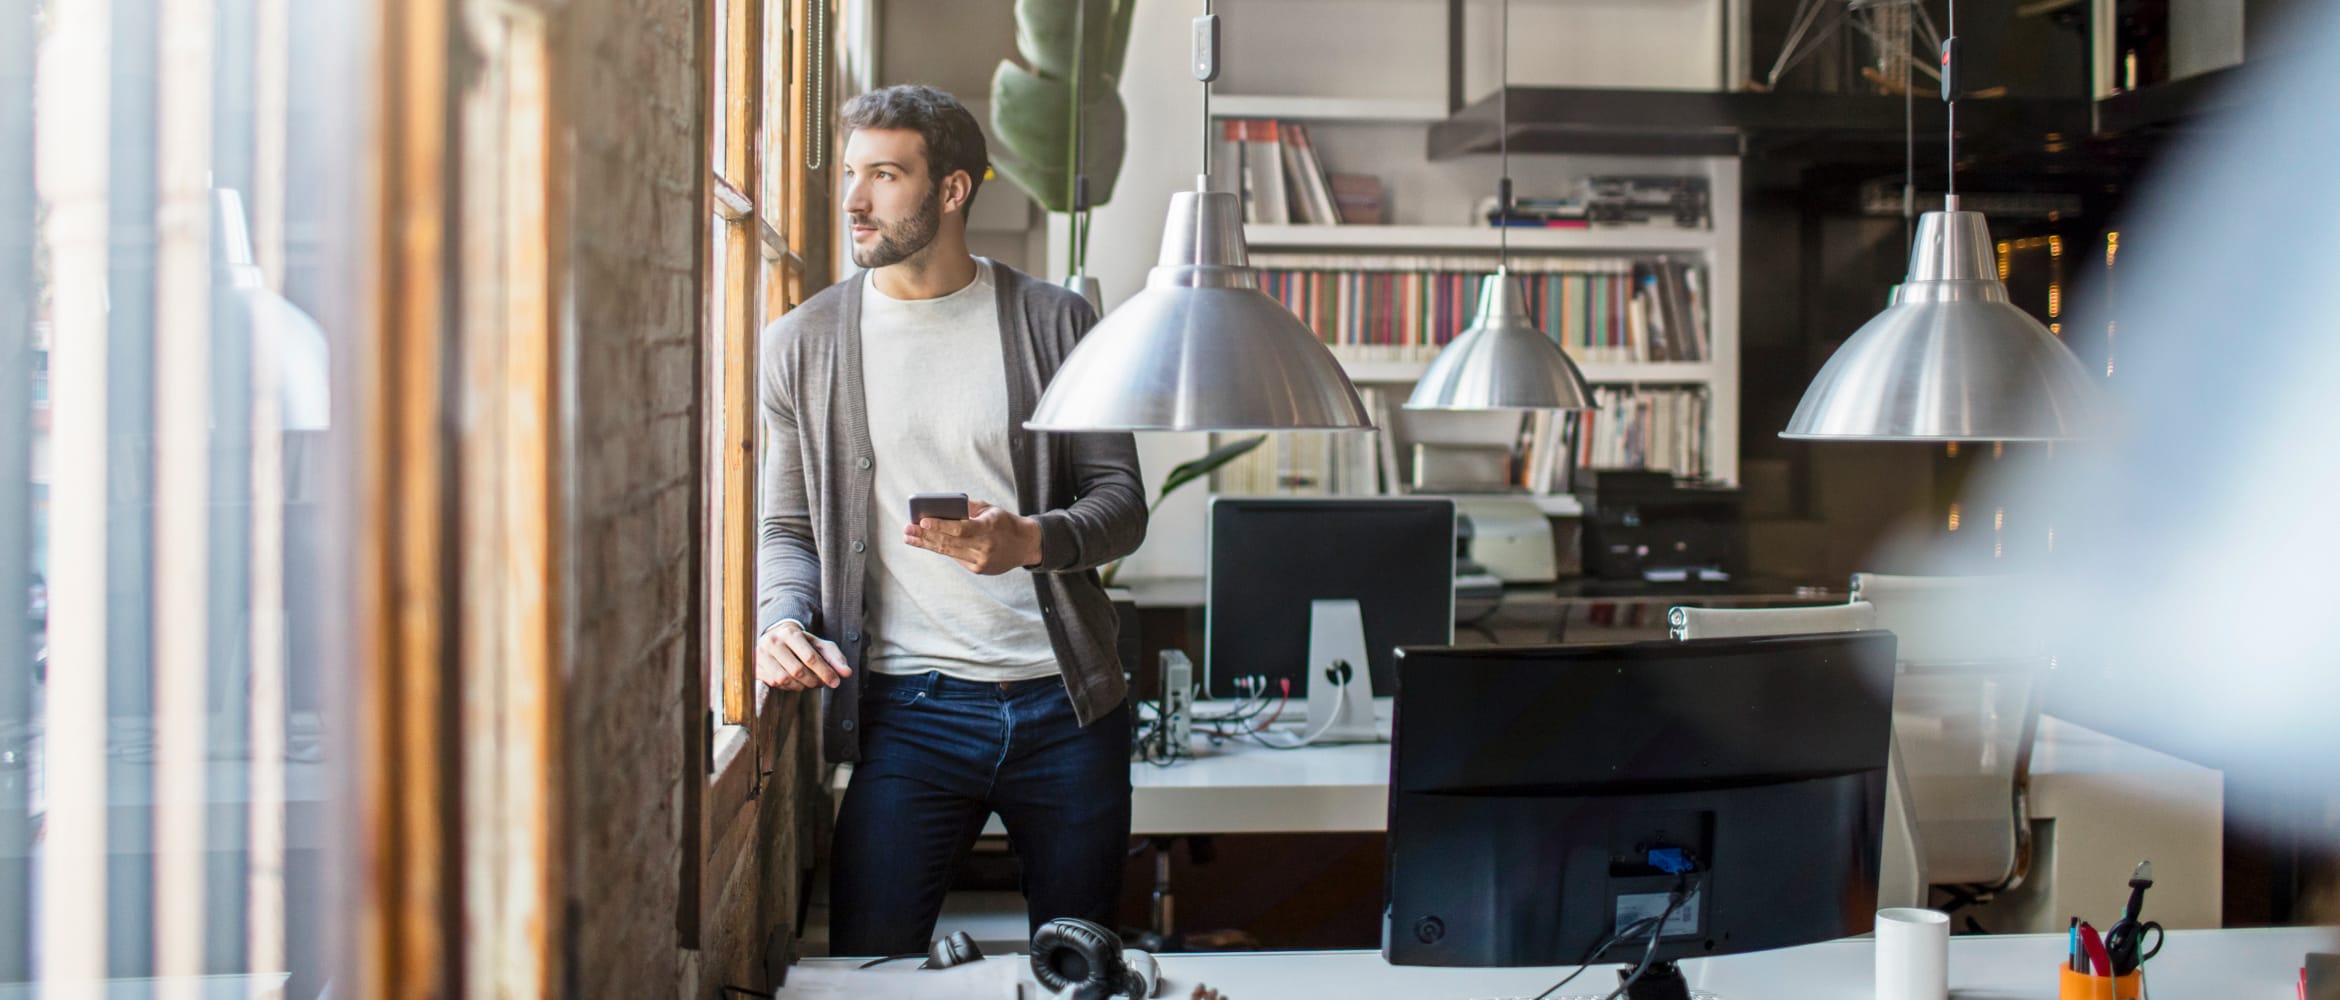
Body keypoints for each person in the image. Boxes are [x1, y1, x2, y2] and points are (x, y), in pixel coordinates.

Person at [754, 83, 1148, 958]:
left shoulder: (1056, 322)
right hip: (911, 713)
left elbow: (1122, 505)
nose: (855, 201)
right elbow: (787, 528)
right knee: (869, 960)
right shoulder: (802, 344)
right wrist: (779, 616)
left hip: (1068, 708)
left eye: (885, 175)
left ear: (953, 189)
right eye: (851, 174)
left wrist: (1028, 543)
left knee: (1079, 964)